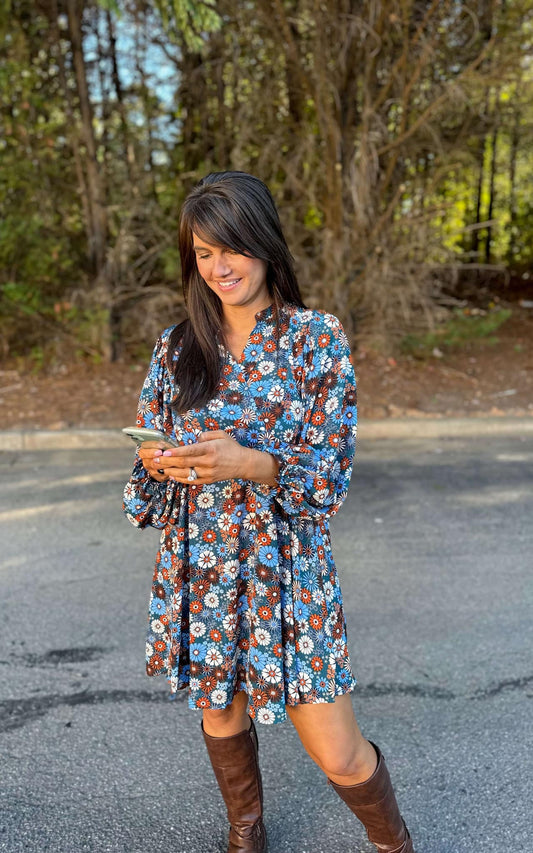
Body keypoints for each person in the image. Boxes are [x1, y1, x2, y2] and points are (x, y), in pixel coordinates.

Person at [123, 171, 415, 853]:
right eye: (202, 253)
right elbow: (144, 476)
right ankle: (245, 830)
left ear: (264, 244)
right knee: (220, 710)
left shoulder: (316, 338)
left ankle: (394, 843)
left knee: (338, 750)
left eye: (232, 247)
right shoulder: (176, 346)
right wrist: (158, 463)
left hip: (289, 571)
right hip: (201, 565)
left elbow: (330, 477)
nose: (219, 266)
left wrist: (249, 462)